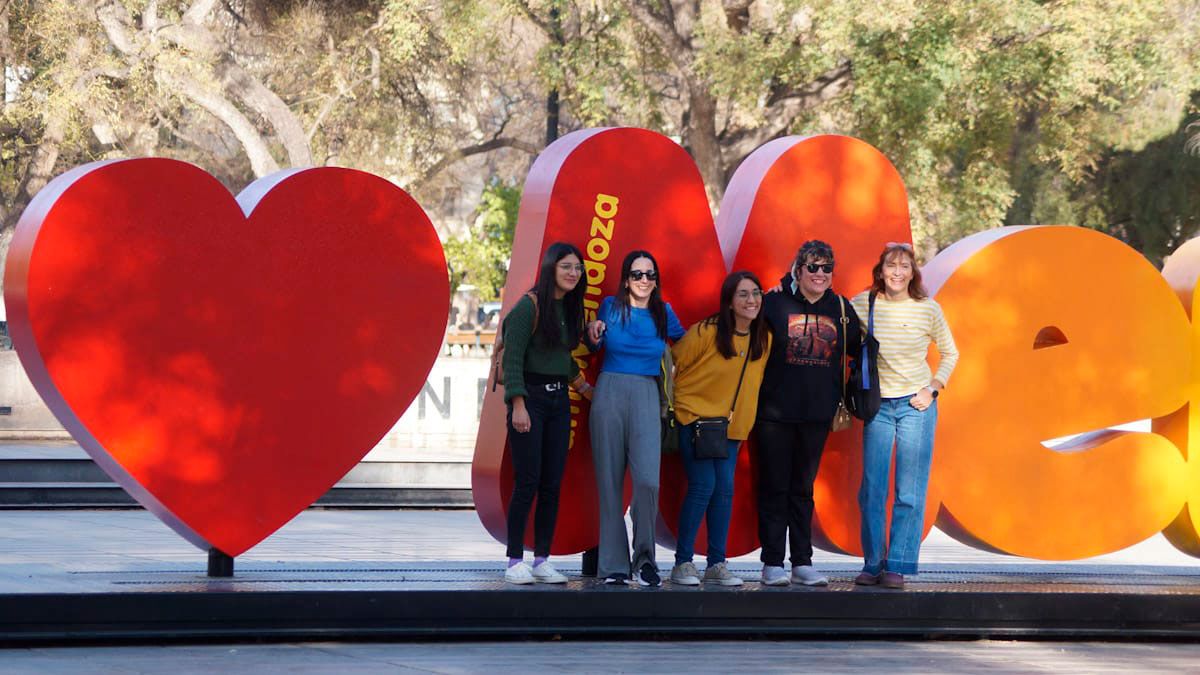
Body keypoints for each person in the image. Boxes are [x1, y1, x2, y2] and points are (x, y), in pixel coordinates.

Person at [851, 242, 958, 590]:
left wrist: (933, 388)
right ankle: (873, 562)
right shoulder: (864, 303)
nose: (897, 272)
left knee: (909, 491)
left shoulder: (928, 309)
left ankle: (897, 563)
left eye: (904, 267)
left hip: (916, 406)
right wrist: (785, 286)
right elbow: (828, 314)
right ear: (880, 271)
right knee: (872, 489)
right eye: (891, 266)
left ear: (913, 273)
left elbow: (950, 353)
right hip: (877, 407)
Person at [755, 240, 861, 586]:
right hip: (773, 414)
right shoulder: (772, 303)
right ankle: (772, 562)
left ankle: (802, 560)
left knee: (802, 489)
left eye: (826, 267)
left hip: (817, 414)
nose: (819, 274)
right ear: (797, 269)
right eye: (812, 267)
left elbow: (863, 352)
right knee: (774, 488)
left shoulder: (842, 309)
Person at [586, 250, 686, 586]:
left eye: (650, 275)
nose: (644, 281)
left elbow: (688, 345)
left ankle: (645, 560)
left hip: (647, 394)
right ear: (626, 279)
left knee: (647, 481)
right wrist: (591, 332)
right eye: (637, 274)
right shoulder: (609, 308)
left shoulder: (664, 313)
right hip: (609, 391)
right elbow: (593, 344)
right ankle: (614, 565)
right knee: (609, 483)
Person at [668, 272, 772, 587]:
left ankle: (716, 564)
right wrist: (686, 411)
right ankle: (683, 563)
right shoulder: (705, 332)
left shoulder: (763, 338)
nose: (751, 300)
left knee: (724, 491)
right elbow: (673, 364)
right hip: (697, 423)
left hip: (732, 430)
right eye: (743, 294)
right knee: (703, 486)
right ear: (729, 301)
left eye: (756, 293)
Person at [500, 242, 592, 584]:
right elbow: (513, 359)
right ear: (551, 267)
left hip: (559, 401)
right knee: (527, 481)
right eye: (566, 266)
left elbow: (559, 357)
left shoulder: (569, 308)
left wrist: (584, 388)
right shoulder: (530, 306)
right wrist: (518, 405)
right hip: (531, 399)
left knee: (553, 484)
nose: (573, 273)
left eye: (577, 268)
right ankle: (513, 561)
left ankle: (542, 560)